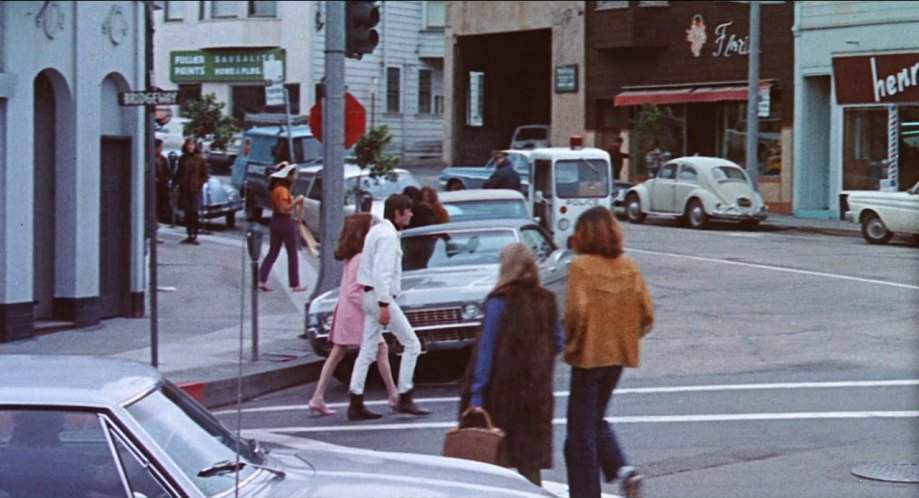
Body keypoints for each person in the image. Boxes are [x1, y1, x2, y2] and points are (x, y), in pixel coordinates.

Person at [563, 206, 654, 498]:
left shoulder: (582, 266)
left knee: (579, 434)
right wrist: (625, 336)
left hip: (589, 357)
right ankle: (623, 470)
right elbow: (646, 314)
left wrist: (571, 343)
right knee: (594, 419)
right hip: (617, 357)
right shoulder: (629, 266)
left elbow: (575, 313)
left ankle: (586, 493)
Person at [460, 242, 562, 486]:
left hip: (502, 394)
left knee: (497, 463)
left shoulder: (498, 301)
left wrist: (476, 396)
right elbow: (558, 342)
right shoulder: (547, 300)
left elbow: (485, 352)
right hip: (536, 394)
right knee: (530, 465)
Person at [307, 213, 400, 416]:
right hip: (357, 313)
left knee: (338, 353)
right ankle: (393, 395)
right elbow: (354, 291)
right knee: (380, 349)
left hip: (347, 312)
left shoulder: (353, 258)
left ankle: (317, 397)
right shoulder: (360, 259)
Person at [348, 194, 430, 420]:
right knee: (411, 344)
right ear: (398, 213)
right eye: (408, 211)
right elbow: (382, 273)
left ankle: (356, 399)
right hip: (379, 297)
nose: (411, 214)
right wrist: (384, 304)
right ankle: (405, 395)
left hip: (370, 296)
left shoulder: (377, 231)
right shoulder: (387, 237)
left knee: (367, 349)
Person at [258, 162, 307, 292]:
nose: (294, 177)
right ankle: (295, 283)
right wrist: (296, 201)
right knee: (292, 253)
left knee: (273, 252)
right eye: (292, 174)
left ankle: (261, 279)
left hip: (275, 220)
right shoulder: (283, 191)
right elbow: (284, 208)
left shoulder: (275, 189)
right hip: (284, 221)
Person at [175, 138, 208, 245]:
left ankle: (195, 235)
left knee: (194, 212)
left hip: (195, 190)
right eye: (189, 145)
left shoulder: (200, 159)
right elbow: (178, 173)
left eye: (192, 145)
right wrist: (177, 183)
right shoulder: (182, 159)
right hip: (185, 189)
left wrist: (199, 184)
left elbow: (205, 175)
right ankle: (189, 234)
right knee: (187, 213)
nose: (190, 147)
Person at [154, 138, 172, 223]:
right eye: (160, 147)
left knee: (161, 208)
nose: (161, 149)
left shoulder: (163, 159)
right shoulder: (151, 158)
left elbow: (168, 172)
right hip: (154, 188)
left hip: (162, 187)